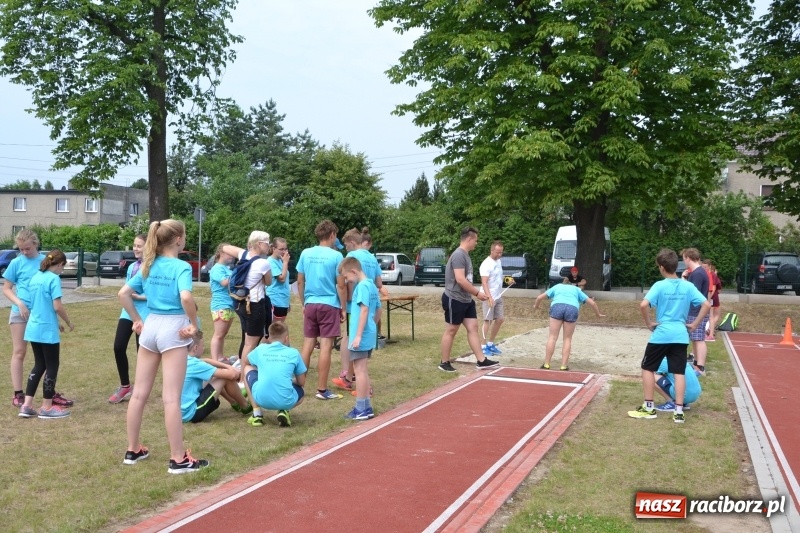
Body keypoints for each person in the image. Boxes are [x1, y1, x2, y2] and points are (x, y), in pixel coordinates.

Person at [119, 219, 208, 474]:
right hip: (172, 329)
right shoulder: (180, 267)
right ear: (178, 239)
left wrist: (137, 319)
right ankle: (178, 458)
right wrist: (193, 325)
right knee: (171, 398)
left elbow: (123, 293)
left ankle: (133, 449)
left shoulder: (148, 264)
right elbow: (186, 297)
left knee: (138, 394)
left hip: (151, 325)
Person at [629, 248, 710, 423]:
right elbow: (706, 304)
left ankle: (649, 407)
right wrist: (695, 324)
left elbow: (643, 305)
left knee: (648, 367)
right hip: (681, 334)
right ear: (676, 266)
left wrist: (649, 323)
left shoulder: (659, 285)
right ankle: (678, 412)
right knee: (679, 371)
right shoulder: (687, 285)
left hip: (662, 334)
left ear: (661, 267)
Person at [3, 228, 73, 408]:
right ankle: (19, 394)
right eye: (21, 249)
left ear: (36, 244)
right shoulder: (16, 263)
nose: (24, 252)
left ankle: (49, 393)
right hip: (21, 313)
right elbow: (6, 288)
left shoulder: (46, 262)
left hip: (41, 314)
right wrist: (19, 303)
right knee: (20, 352)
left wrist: (54, 319)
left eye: (27, 248)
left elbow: (48, 294)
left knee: (46, 360)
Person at [17, 250, 75, 419]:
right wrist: (68, 321)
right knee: (52, 366)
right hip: (46, 330)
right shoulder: (53, 279)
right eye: (62, 267)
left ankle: (26, 405)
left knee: (39, 364)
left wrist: (56, 322)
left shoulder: (35, 278)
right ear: (59, 264)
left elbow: (40, 305)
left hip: (34, 328)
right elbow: (57, 306)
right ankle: (47, 407)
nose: (61, 271)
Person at [297, 220, 347, 400]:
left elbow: (300, 281)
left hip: (310, 303)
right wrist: (343, 307)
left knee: (308, 345)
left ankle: (299, 385)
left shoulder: (306, 253)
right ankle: (322, 390)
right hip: (329, 304)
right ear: (332, 234)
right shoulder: (336, 256)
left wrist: (304, 303)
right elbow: (341, 285)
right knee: (326, 347)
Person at [439, 227, 500, 372]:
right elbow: (460, 279)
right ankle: (444, 362)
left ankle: (481, 360)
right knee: (451, 330)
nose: (476, 244)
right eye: (476, 241)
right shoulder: (459, 255)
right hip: (454, 299)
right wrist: (477, 293)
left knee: (473, 328)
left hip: (466, 300)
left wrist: (473, 294)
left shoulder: (465, 255)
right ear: (469, 239)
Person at [333, 228, 382, 393]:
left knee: (350, 339)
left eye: (346, 245)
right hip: (369, 309)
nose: (346, 249)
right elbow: (379, 283)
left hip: (357, 304)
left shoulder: (351, 259)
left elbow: (342, 283)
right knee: (360, 356)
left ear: (353, 243)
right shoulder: (372, 259)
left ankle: (347, 376)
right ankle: (352, 379)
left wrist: (343, 305)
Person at [339, 256, 381, 420]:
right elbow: (378, 310)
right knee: (362, 369)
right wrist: (372, 326)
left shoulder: (362, 286)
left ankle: (361, 408)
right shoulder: (371, 285)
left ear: (354, 271)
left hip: (360, 336)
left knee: (360, 371)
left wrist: (357, 336)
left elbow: (364, 310)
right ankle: (365, 407)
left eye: (347, 277)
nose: (347, 281)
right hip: (367, 333)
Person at [222, 232, 273, 364]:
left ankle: (241, 370)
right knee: (251, 344)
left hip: (241, 303)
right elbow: (268, 282)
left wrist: (246, 250)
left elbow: (225, 247)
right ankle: (244, 377)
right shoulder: (263, 263)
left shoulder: (243, 255)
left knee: (246, 339)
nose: (269, 246)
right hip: (255, 305)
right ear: (259, 244)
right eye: (267, 243)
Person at [244, 322, 307, 427]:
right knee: (301, 392)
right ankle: (284, 410)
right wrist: (288, 380)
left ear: (268, 338)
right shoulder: (294, 353)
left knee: (247, 368)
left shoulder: (261, 349)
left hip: (261, 398)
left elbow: (246, 361)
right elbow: (302, 382)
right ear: (286, 338)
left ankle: (257, 414)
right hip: (287, 400)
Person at [109, 234, 148, 404]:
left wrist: (139, 297)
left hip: (145, 313)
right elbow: (127, 290)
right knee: (118, 347)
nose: (135, 249)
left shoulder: (153, 267)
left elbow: (153, 294)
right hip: (128, 311)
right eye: (134, 245)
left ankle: (141, 389)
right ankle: (125, 386)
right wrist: (131, 296)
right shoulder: (132, 266)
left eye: (139, 246)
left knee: (142, 352)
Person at [533, 279, 605, 370]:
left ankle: (546, 364)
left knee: (552, 337)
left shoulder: (557, 286)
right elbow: (592, 303)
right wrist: (598, 314)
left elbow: (539, 298)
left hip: (557, 307)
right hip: (572, 309)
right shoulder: (576, 289)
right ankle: (563, 365)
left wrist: (536, 306)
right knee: (567, 339)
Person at [181, 330, 251, 423]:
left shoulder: (182, 359)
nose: (203, 348)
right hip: (191, 413)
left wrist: (227, 366)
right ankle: (245, 405)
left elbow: (205, 360)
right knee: (223, 377)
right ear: (196, 348)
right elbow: (232, 375)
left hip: (178, 412)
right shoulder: (195, 364)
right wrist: (237, 371)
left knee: (215, 375)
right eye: (203, 346)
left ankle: (234, 403)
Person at [479, 240, 512, 356]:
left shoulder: (498, 261)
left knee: (500, 319)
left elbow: (499, 276)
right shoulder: (486, 264)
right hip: (488, 296)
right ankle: (482, 346)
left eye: (501, 252)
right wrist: (489, 297)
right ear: (491, 250)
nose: (499, 255)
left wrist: (508, 280)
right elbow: (484, 282)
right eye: (497, 252)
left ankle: (490, 344)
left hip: (498, 296)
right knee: (487, 320)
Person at [681, 248, 709, 375]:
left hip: (696, 311)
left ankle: (700, 367)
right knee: (695, 338)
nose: (684, 262)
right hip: (695, 310)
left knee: (699, 339)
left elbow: (692, 293)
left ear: (688, 258)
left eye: (684, 259)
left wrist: (684, 280)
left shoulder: (697, 274)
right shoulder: (698, 272)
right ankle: (697, 363)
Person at [209, 244, 236, 363]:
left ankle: (220, 357)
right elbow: (225, 283)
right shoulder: (217, 268)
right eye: (229, 253)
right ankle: (215, 360)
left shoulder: (226, 269)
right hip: (220, 304)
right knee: (218, 334)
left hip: (229, 305)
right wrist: (238, 274)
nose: (232, 256)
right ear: (221, 253)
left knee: (223, 334)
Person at [267, 237, 291, 325]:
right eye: (281, 249)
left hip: (283, 301)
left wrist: (287, 302)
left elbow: (285, 283)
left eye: (285, 249)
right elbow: (282, 278)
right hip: (275, 300)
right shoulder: (270, 261)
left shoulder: (281, 261)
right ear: (274, 249)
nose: (284, 252)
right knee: (274, 329)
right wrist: (285, 263)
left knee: (279, 329)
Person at [703, 260, 722, 341]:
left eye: (705, 267)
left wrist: (709, 299)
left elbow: (713, 288)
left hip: (711, 298)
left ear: (710, 266)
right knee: (708, 316)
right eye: (703, 267)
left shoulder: (712, 275)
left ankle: (710, 334)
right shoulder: (704, 274)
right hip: (708, 298)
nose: (704, 268)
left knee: (711, 316)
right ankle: (708, 331)